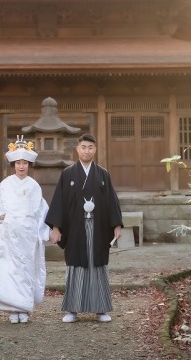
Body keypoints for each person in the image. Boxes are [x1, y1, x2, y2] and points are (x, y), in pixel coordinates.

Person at [45, 132, 123, 323]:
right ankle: (72, 309)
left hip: (98, 227)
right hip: (75, 228)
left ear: (95, 150)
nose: (86, 151)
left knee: (98, 265)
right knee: (75, 265)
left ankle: (101, 309)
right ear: (77, 149)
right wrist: (56, 228)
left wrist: (116, 225)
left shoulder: (103, 174)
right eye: (83, 147)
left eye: (90, 148)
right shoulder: (68, 174)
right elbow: (60, 202)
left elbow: (111, 201)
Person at [0, 136, 50, 324]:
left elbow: (41, 209)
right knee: (9, 271)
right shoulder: (5, 184)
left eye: (24, 163)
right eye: (18, 163)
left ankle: (24, 308)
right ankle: (12, 309)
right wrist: (1, 215)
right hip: (9, 234)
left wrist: (43, 231)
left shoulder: (34, 186)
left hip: (27, 234)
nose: (21, 166)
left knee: (26, 271)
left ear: (29, 165)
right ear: (14, 165)